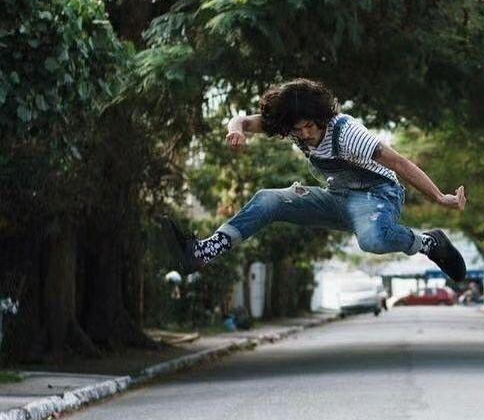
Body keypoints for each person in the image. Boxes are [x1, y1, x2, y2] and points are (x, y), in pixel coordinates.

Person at [165, 79, 468, 283]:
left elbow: (400, 163)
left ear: (320, 116)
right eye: (298, 130)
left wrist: (440, 197)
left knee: (372, 240)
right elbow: (242, 120)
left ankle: (430, 242)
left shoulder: (347, 132)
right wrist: (237, 130)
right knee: (268, 199)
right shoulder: (291, 127)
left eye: (310, 126)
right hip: (337, 198)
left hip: (378, 196)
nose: (306, 135)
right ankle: (203, 253)